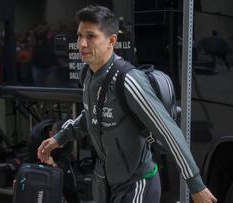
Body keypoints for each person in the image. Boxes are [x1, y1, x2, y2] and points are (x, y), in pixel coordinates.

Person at [38, 5, 217, 203]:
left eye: (91, 36)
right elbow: (91, 115)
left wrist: (195, 184)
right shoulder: (88, 75)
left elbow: (168, 132)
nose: (82, 44)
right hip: (105, 183)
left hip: (137, 184)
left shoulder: (129, 80)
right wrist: (59, 138)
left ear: (112, 41)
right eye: (80, 35)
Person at [27, 119, 80, 203]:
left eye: (63, 143)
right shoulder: (36, 136)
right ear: (50, 134)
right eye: (60, 143)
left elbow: (65, 162)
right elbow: (30, 160)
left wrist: (54, 164)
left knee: (68, 180)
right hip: (38, 156)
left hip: (56, 158)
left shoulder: (67, 135)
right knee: (37, 183)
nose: (62, 146)